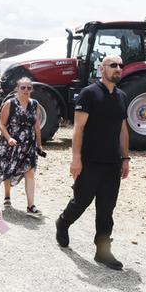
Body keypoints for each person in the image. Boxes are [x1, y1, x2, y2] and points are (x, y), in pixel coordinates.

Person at [56, 55, 130, 270]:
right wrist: (76, 159)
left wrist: (125, 158)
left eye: (120, 66)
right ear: (102, 68)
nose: (118, 68)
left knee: (106, 209)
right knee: (81, 202)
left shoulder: (122, 96)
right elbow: (78, 129)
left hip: (112, 163)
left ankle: (102, 251)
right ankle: (63, 222)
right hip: (89, 161)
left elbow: (123, 129)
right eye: (113, 65)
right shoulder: (89, 94)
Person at [0, 77, 43, 216]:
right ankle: (5, 196)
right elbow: (1, 123)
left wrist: (39, 145)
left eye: (28, 88)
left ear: (32, 89)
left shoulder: (35, 104)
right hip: (12, 143)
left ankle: (31, 206)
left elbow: (36, 125)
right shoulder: (10, 103)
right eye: (23, 87)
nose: (26, 90)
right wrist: (9, 138)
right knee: (7, 169)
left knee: (30, 172)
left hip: (28, 145)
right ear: (17, 89)